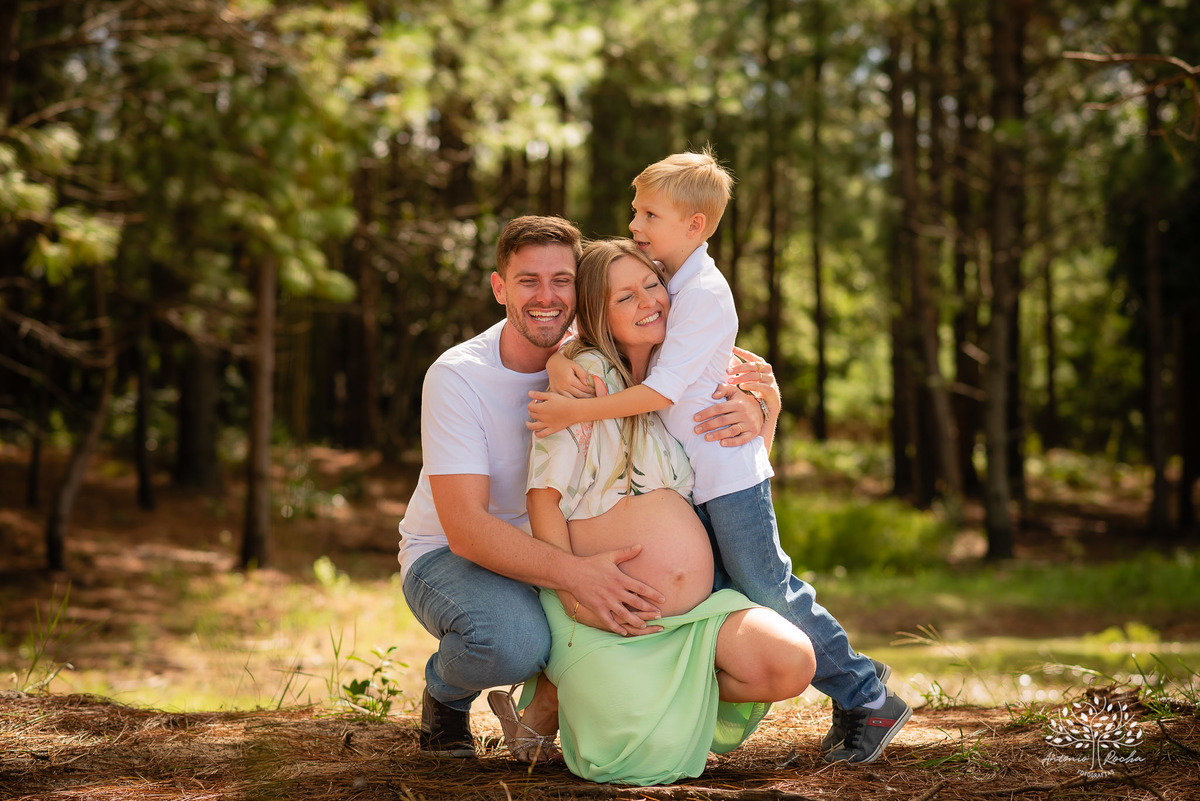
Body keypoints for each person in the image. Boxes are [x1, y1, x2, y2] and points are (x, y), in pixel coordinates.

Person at [528, 150, 912, 764]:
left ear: (695, 225)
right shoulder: (669, 282)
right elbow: (605, 315)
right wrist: (557, 360)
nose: (635, 226)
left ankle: (866, 695)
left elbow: (661, 391)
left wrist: (573, 411)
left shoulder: (702, 291)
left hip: (727, 475)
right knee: (749, 589)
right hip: (702, 480)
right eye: (635, 211)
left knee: (768, 587)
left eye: (649, 214)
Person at [396, 215, 769, 758]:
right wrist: (574, 579)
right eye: (527, 281)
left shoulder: (603, 349)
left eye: (562, 281)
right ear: (499, 287)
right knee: (513, 641)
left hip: (563, 545)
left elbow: (714, 379)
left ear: (583, 288)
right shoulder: (459, 377)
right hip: (456, 557)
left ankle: (555, 707)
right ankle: (447, 695)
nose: (546, 297)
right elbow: (467, 531)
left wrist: (760, 403)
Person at [488, 239, 815, 785]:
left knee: (791, 662)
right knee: (628, 764)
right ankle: (563, 691)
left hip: (694, 619)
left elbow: (732, 479)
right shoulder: (583, 378)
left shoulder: (683, 370)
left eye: (652, 285)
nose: (649, 301)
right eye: (625, 296)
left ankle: (657, 701)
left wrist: (768, 411)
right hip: (607, 613)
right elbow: (543, 497)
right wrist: (573, 597)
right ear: (597, 312)